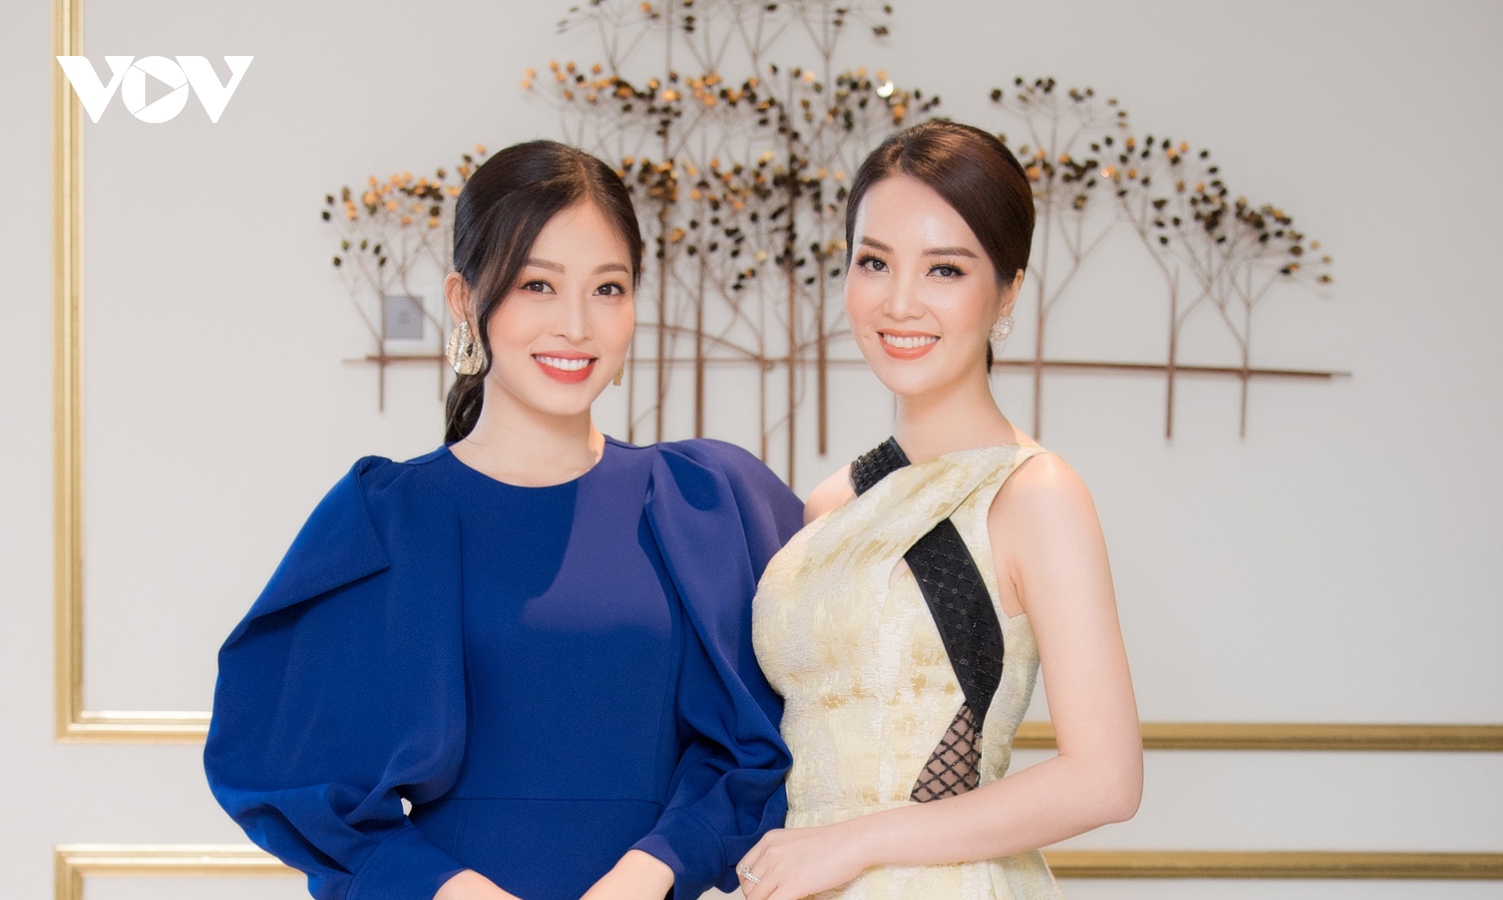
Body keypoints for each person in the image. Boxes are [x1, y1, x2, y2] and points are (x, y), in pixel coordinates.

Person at [204, 140, 801, 900]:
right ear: (464, 300)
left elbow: (757, 746)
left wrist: (648, 873)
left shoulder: (703, 501)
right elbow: (292, 774)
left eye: (608, 288)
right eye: (536, 285)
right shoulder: (390, 517)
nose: (576, 325)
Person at [741, 121, 1143, 900]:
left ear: (1008, 290)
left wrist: (855, 843)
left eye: (945, 269)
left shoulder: (1034, 493)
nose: (900, 302)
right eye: (874, 262)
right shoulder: (833, 502)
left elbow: (1107, 778)